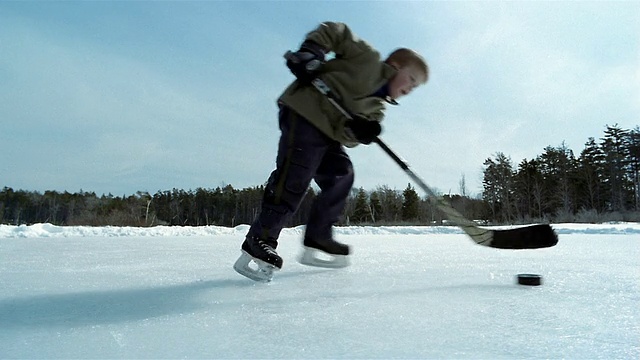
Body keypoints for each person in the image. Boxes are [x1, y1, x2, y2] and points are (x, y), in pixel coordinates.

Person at [233, 21, 429, 282]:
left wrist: (360, 131)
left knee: (341, 174)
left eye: (415, 88)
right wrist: (311, 51)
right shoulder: (366, 58)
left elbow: (348, 138)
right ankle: (261, 238)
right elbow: (336, 31)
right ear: (395, 66)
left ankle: (318, 235)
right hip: (305, 112)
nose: (410, 89)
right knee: (296, 175)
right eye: (411, 80)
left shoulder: (378, 108)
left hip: (327, 135)